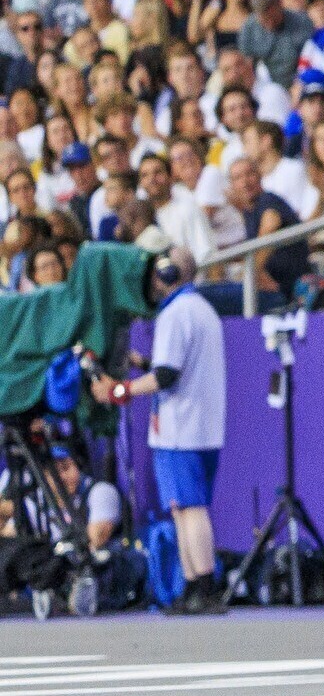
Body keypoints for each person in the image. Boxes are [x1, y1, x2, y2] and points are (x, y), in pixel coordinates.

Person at [96, 253, 229, 614]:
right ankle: (193, 587)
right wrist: (140, 362)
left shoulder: (174, 314)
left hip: (178, 429)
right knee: (183, 508)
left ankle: (205, 588)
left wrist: (120, 390)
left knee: (189, 507)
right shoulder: (202, 310)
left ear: (166, 276)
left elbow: (167, 375)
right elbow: (176, 366)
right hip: (202, 426)